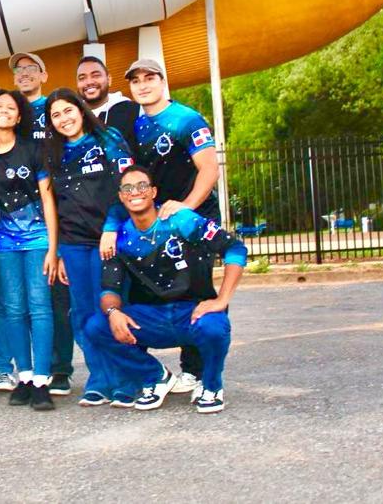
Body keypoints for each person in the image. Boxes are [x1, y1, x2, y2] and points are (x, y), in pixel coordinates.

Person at [89, 166, 246, 413]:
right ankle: (155, 377)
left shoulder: (181, 220)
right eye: (128, 188)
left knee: (214, 327)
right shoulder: (119, 238)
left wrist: (222, 300)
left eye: (142, 186)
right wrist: (113, 313)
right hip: (152, 317)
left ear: (153, 192)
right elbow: (109, 288)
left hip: (191, 313)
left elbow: (235, 248)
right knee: (97, 327)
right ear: (121, 197)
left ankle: (212, 386)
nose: (135, 192)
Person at [124, 57, 220, 395]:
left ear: (162, 81)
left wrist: (187, 207)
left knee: (196, 292)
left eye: (149, 78)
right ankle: (152, 376)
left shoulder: (186, 118)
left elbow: (209, 169)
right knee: (154, 292)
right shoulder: (136, 126)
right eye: (136, 80)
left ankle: (198, 372)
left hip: (192, 221)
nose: (143, 85)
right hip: (155, 226)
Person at [44, 87, 134, 407]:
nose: (64, 119)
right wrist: (58, 252)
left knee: (110, 309)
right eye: (56, 115)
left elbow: (128, 185)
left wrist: (111, 227)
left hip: (108, 239)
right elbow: (53, 204)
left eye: (68, 110)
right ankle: (100, 379)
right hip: (73, 245)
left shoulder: (108, 139)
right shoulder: (52, 153)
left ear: (81, 110)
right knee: (82, 314)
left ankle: (126, 379)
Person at [0, 89, 58, 411]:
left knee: (40, 307)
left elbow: (48, 199)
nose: (4, 111)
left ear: (19, 116)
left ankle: (41, 380)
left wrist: (53, 248)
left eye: (11, 107)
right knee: (13, 309)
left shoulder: (34, 149)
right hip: (4, 242)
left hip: (38, 239)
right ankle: (24, 377)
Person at [9, 51, 74, 395]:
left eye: (31, 68)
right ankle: (31, 371)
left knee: (56, 299)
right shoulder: (12, 113)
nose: (24, 73)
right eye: (19, 69)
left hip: (58, 205)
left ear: (44, 74)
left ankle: (60, 369)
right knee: (24, 302)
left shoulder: (54, 108)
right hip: (19, 221)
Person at [75, 55, 139, 141]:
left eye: (96, 75)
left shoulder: (132, 111)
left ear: (109, 80)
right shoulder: (73, 118)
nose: (89, 82)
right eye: (82, 78)